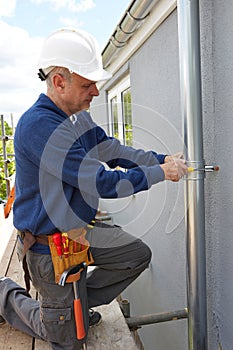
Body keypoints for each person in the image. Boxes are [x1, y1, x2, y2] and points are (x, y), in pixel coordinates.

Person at [0, 28, 187, 349]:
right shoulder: (39, 127)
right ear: (59, 81)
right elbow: (99, 181)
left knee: (135, 256)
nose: (97, 92)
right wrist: (159, 173)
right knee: (68, 340)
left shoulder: (76, 118)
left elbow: (111, 150)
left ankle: (72, 307)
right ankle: (8, 296)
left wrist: (160, 159)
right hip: (47, 249)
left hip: (77, 236)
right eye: (87, 85)